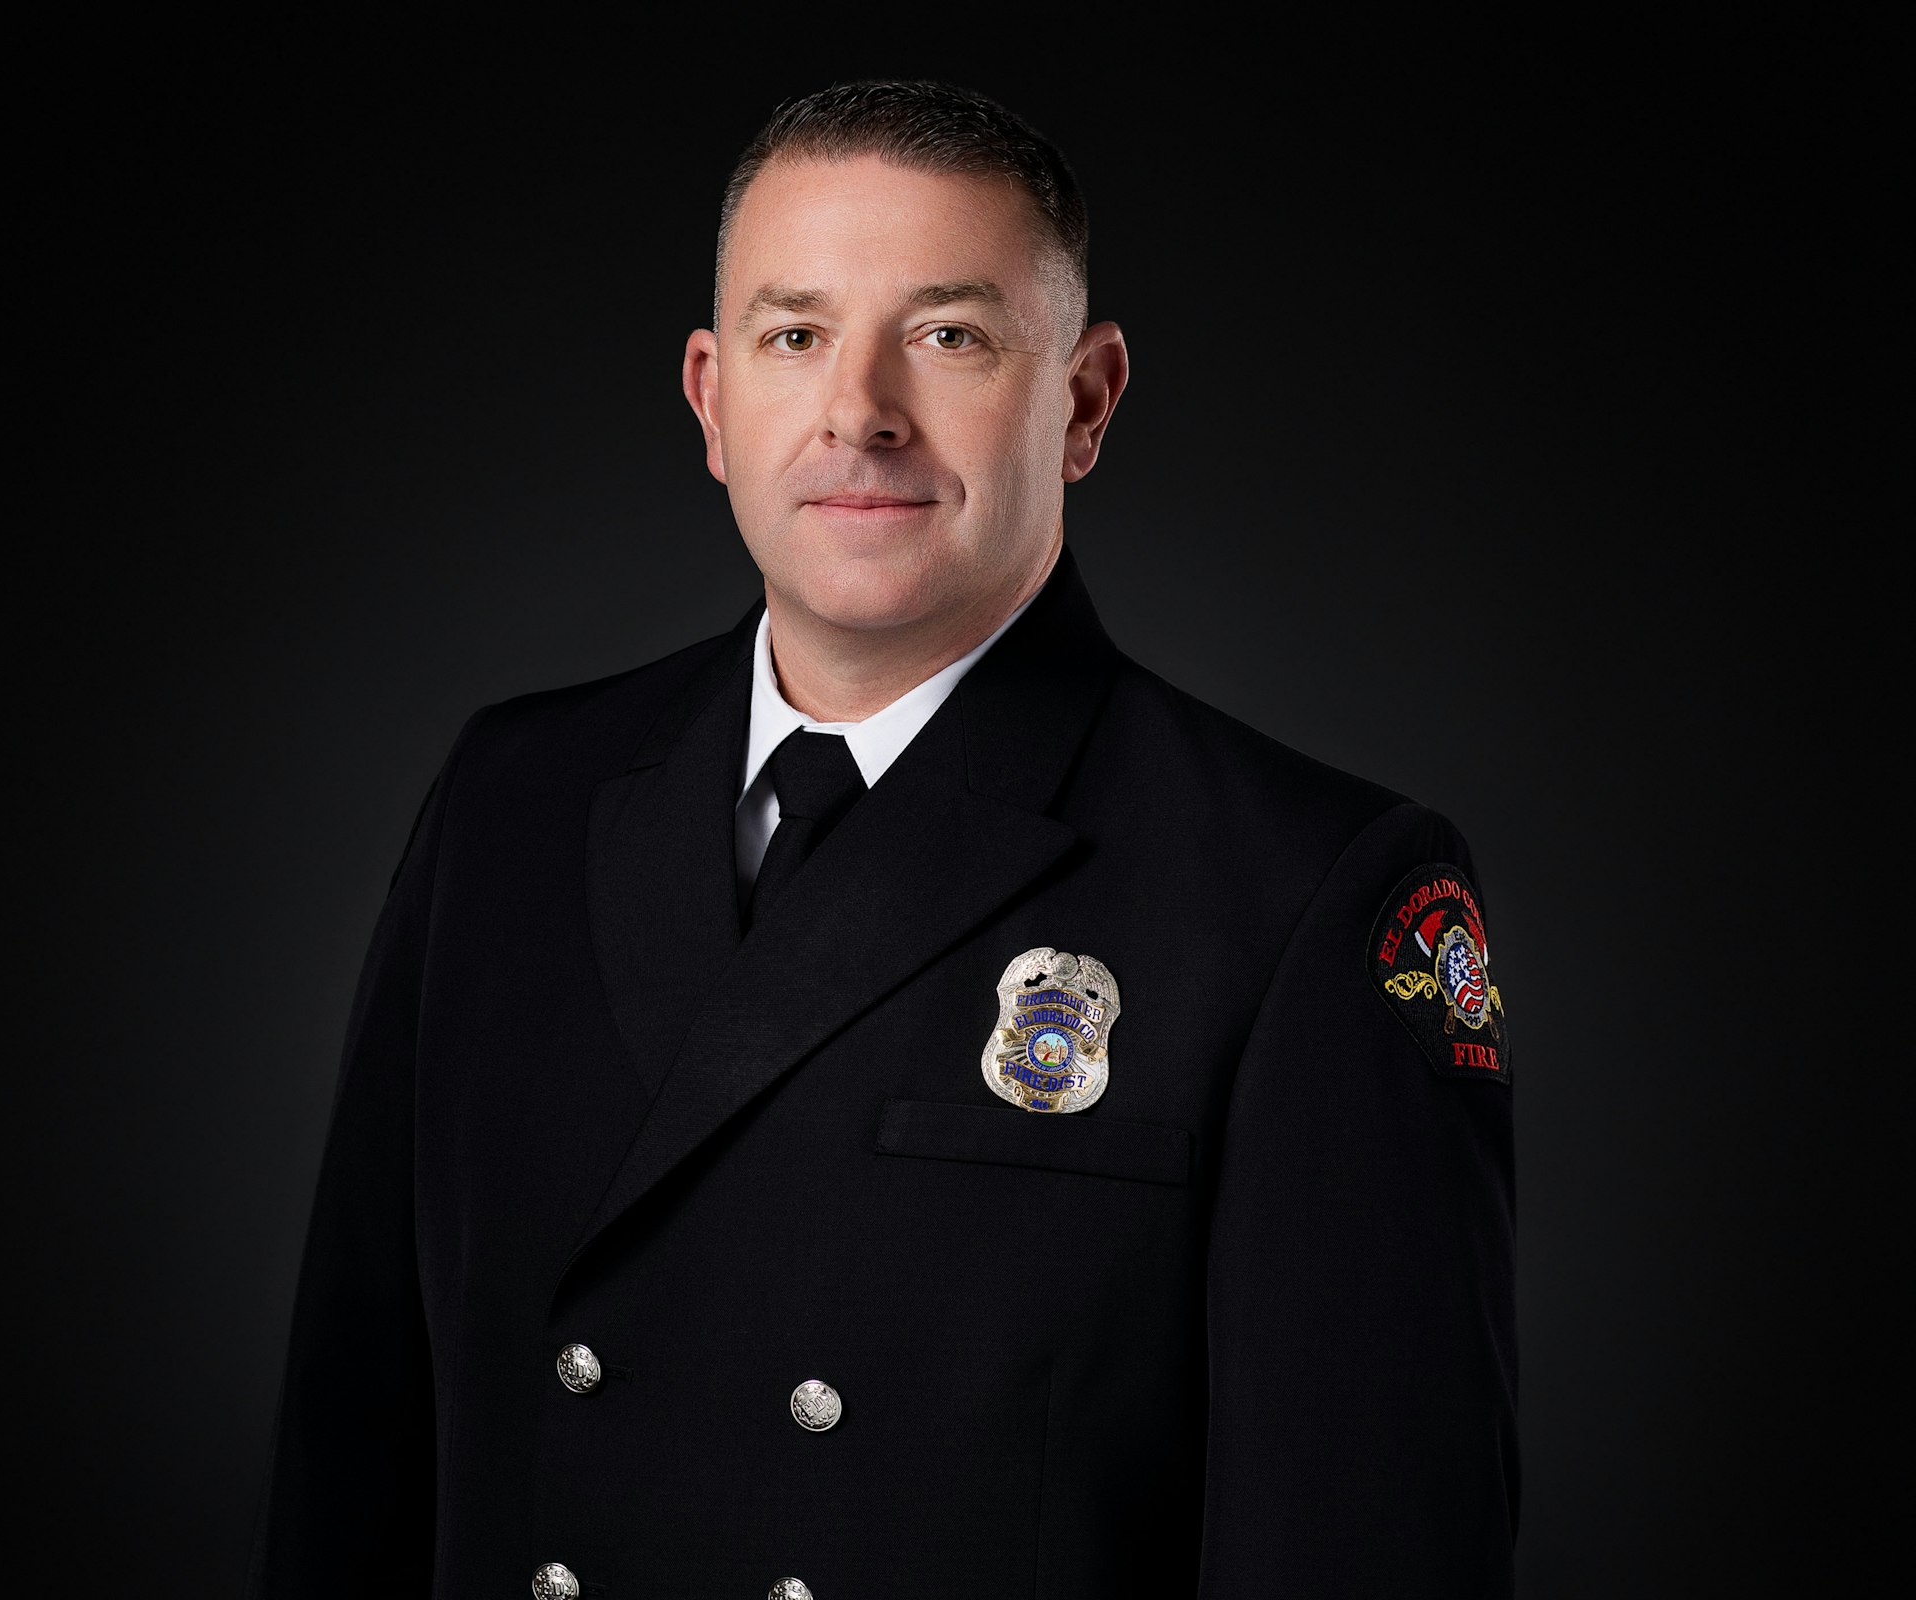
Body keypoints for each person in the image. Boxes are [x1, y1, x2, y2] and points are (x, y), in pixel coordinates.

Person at [248, 79, 1518, 1599]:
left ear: (1087, 400)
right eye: (796, 336)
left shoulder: (1306, 891)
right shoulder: (509, 799)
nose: (860, 409)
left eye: (949, 335)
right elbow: (355, 1453)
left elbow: (1362, 1554)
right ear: (714, 402)